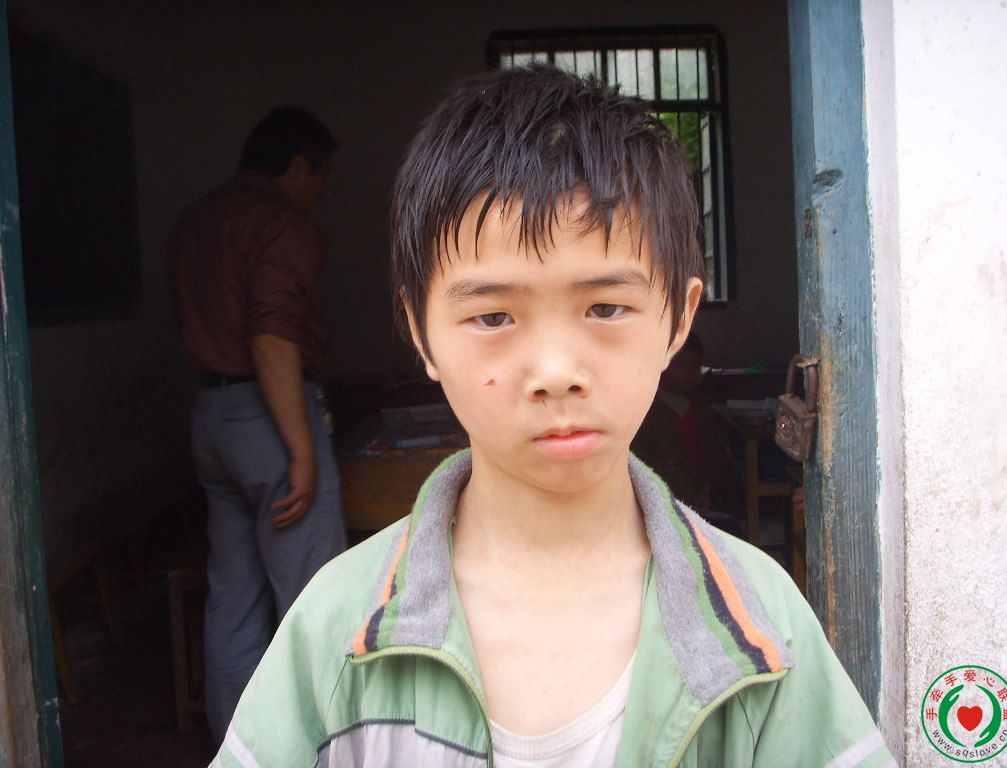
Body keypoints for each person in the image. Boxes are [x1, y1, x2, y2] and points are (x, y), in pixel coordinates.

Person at [209, 69, 893, 767]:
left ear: (679, 318)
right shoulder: (335, 626)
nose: (556, 371)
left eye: (606, 307)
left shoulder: (762, 624)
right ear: (420, 334)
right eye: (493, 317)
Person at [168, 106, 347, 743]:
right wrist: (301, 449)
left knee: (234, 601)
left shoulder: (196, 220)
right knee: (312, 599)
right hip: (268, 419)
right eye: (319, 176)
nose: (319, 191)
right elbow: (271, 335)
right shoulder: (278, 223)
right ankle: (320, 749)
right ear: (297, 166)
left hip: (212, 419)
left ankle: (239, 750)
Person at [632, 331, 733, 516]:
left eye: (695, 365)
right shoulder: (645, 414)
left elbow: (716, 457)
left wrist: (706, 489)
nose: (689, 372)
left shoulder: (703, 409)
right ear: (662, 365)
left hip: (703, 502)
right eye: (680, 364)